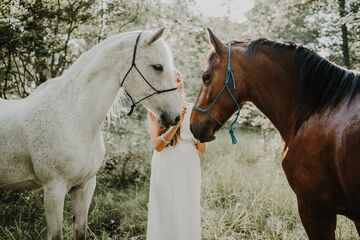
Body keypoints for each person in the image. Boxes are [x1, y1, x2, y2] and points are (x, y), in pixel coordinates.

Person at [146, 75, 206, 240]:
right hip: (166, 162)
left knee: (187, 206)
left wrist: (201, 132)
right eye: (172, 81)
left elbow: (202, 149)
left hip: (189, 164)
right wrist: (176, 124)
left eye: (179, 79)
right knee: (167, 206)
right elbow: (157, 145)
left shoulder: (195, 110)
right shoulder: (156, 112)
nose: (177, 83)